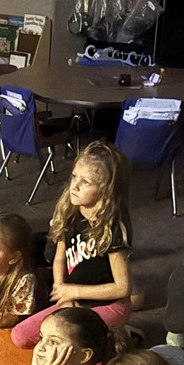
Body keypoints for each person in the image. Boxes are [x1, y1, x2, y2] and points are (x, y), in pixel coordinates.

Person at [11, 140, 133, 349]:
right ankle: (106, 336)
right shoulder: (70, 213)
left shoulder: (113, 227)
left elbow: (123, 287)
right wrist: (61, 291)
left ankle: (120, 335)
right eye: (74, 176)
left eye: (85, 182)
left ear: (105, 189)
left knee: (67, 341)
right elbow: (59, 258)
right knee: (20, 336)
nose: (74, 186)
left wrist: (74, 292)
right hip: (73, 300)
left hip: (109, 305)